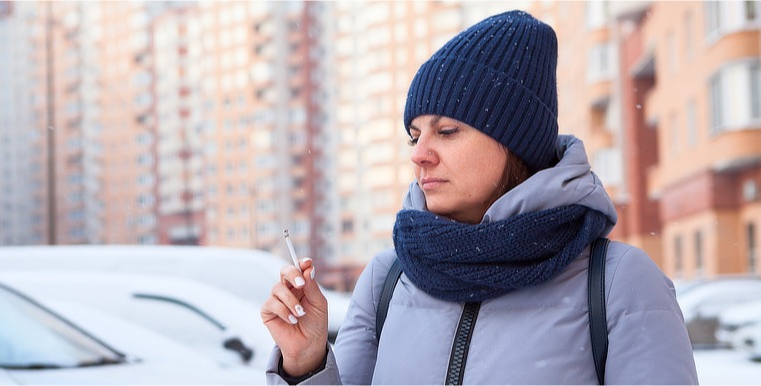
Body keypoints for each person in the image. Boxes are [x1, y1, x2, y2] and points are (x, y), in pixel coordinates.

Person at [261, 10, 698, 385]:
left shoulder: (619, 283)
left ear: (516, 142)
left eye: (446, 131)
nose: (419, 155)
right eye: (414, 136)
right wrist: (305, 364)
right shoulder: (387, 279)